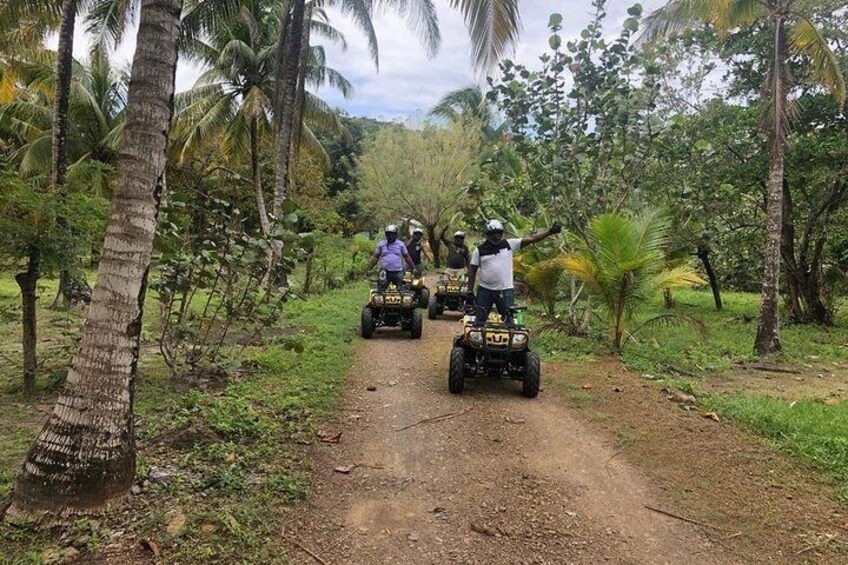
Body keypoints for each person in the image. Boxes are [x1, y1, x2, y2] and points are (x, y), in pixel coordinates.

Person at [467, 219, 561, 325]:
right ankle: (477, 340)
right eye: (493, 234)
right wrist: (470, 291)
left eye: (498, 234)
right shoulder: (479, 250)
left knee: (509, 321)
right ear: (487, 235)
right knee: (480, 320)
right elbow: (472, 271)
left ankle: (509, 341)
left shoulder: (509, 244)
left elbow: (531, 239)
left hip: (506, 290)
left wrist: (549, 232)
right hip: (485, 290)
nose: (496, 237)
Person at [366, 225, 420, 291]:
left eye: (392, 234)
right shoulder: (381, 244)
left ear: (396, 235)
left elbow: (407, 257)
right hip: (384, 272)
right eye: (388, 234)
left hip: (398, 272)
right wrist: (369, 269)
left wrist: (413, 268)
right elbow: (375, 257)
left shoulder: (401, 244)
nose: (390, 236)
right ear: (386, 235)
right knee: (380, 291)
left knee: (402, 291)